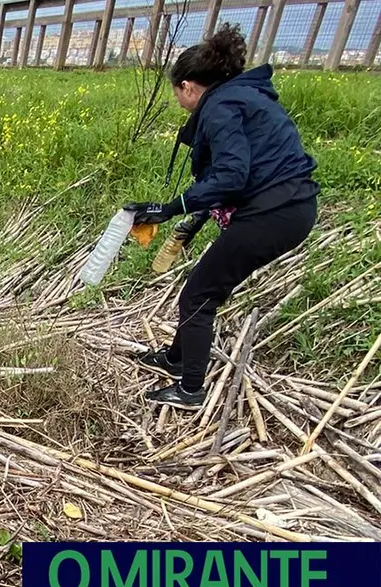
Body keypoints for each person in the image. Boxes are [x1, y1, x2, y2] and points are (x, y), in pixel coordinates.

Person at [125, 24, 319, 411]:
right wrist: (193, 214)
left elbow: (232, 174)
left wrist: (170, 208)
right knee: (204, 285)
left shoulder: (219, 107)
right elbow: (236, 176)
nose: (179, 98)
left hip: (274, 213)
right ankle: (177, 359)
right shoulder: (244, 96)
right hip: (289, 208)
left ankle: (190, 389)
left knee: (198, 294)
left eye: (176, 91)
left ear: (188, 87)